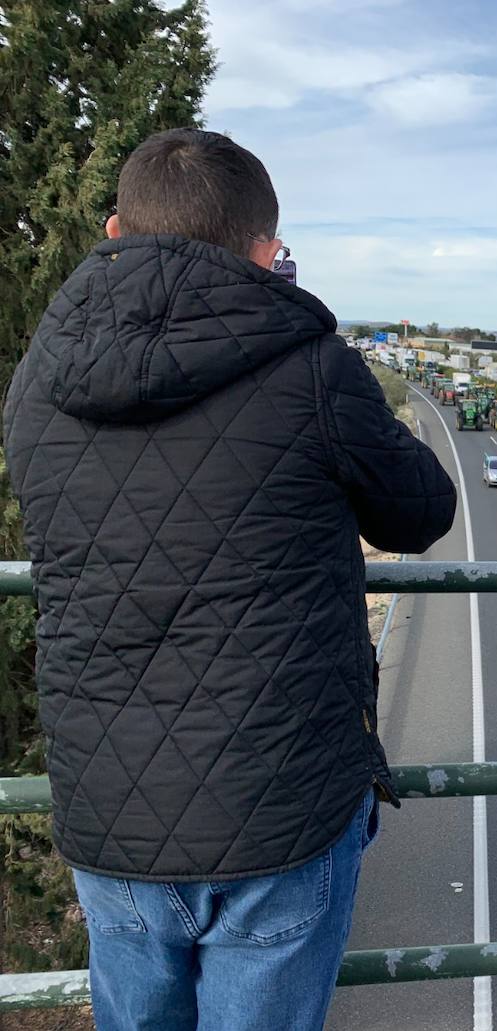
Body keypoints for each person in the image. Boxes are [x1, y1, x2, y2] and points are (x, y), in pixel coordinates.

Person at [3, 128, 456, 1030]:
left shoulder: (36, 382)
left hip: (109, 821)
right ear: (266, 249)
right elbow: (421, 512)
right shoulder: (314, 366)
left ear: (113, 229)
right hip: (277, 818)